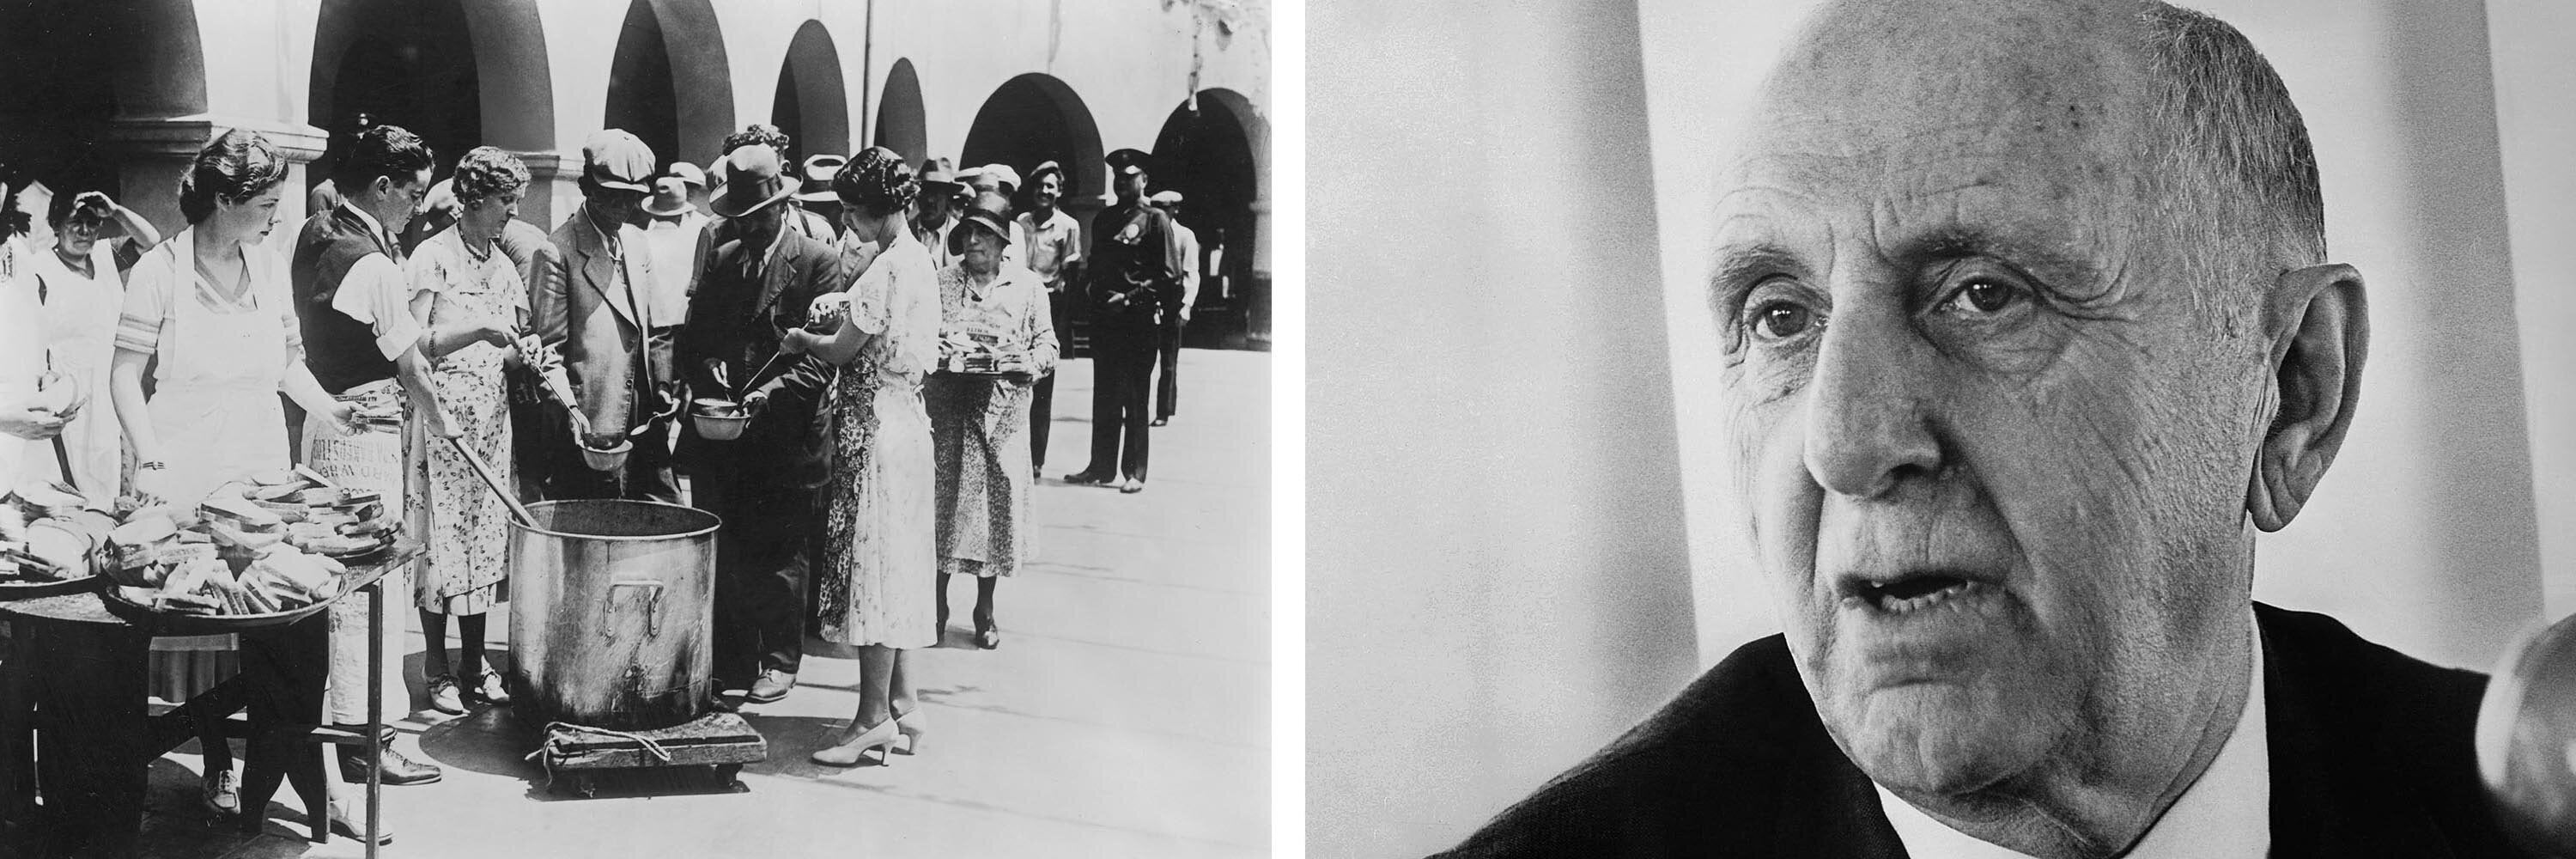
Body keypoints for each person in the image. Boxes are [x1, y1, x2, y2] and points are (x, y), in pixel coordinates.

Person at [1437, 2, 2527, 857]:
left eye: (1984, 295)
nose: (1846, 443)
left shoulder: (2526, 801)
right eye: (1781, 318)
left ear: (2291, 389)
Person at [106, 128, 373, 837]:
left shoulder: (268, 259)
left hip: (258, 470)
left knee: (282, 619)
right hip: (184, 463)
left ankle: (302, 767)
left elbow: (288, 363)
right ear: (223, 199)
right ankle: (216, 759)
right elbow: (125, 377)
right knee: (193, 622)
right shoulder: (157, 270)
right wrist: (149, 456)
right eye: (265, 202)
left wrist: (332, 409)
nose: (277, 216)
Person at [288, 122, 453, 791]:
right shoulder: (378, 264)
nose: (418, 207)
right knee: (371, 592)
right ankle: (368, 743)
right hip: (366, 436)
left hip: (321, 431)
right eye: (412, 194)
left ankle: (339, 730)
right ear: (381, 187)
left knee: (333, 587)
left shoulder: (313, 231)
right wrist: (444, 429)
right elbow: (413, 367)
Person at [403, 147, 580, 715]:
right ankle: (437, 668)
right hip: (441, 418)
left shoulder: (504, 266)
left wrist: (521, 351)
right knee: (441, 539)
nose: (512, 212)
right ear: (475, 198)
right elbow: (414, 347)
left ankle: (475, 665)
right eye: (507, 201)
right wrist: (479, 329)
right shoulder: (433, 257)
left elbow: (508, 354)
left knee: (482, 544)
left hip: (490, 418)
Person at [675, 143, 845, 705]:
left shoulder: (818, 262)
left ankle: (779, 661)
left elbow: (823, 360)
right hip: (724, 435)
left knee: (780, 552)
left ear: (780, 208)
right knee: (727, 549)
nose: (744, 229)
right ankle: (730, 661)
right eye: (736, 220)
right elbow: (695, 339)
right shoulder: (723, 259)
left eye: (754, 219)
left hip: (787, 438)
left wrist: (763, 398)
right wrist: (709, 377)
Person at [789, 147, 940, 766]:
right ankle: (906, 702)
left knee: (873, 569)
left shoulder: (883, 270)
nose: (847, 223)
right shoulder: (919, 259)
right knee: (901, 566)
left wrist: (803, 339)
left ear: (877, 211)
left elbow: (843, 351)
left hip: (874, 428)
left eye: (853, 212)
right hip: (909, 423)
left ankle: (870, 717)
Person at [927, 192, 1058, 650]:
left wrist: (1030, 363)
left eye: (983, 234)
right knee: (943, 505)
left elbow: (1048, 345)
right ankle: (936, 606)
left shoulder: (1028, 288)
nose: (973, 242)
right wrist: (941, 352)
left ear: (1003, 241)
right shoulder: (942, 282)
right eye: (967, 233)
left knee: (992, 508)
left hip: (1003, 414)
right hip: (948, 411)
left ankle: (985, 609)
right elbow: (925, 338)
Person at [531, 129, 678, 503]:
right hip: (592, 420)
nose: (622, 209)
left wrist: (662, 384)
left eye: (631, 199)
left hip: (645, 415)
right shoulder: (557, 251)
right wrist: (573, 413)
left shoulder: (637, 242)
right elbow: (549, 351)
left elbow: (658, 326)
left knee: (659, 516)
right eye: (612, 197)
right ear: (587, 188)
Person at [21, 189, 161, 497]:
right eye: (74, 222)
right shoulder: (38, 267)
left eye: (92, 223)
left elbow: (150, 241)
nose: (84, 231)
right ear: (56, 225)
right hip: (68, 389)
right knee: (74, 478)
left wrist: (114, 211)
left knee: (115, 471)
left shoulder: (106, 255)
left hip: (110, 385)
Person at [1065, 149, 1180, 494]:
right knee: (1105, 394)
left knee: (1134, 396)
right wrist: (1091, 292)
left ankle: (1135, 471)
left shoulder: (1155, 220)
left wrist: (1129, 299)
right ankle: (1100, 466)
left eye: (1129, 176)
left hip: (1138, 321)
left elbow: (1169, 276)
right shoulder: (1104, 219)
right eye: (1117, 176)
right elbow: (1096, 264)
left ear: (1144, 180)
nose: (1122, 182)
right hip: (1106, 320)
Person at [1017, 161, 1082, 478]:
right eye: (1040, 186)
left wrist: (1062, 325)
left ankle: (1036, 459)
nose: (1045, 191)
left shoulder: (1068, 227)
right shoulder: (1020, 224)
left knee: (1042, 384)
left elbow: (1071, 277)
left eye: (1051, 186)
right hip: (1018, 305)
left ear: (1059, 192)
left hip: (1050, 304)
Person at [1147, 190, 1198, 426]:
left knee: (1168, 360)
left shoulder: (1184, 235)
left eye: (1164, 207)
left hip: (1173, 299)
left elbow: (1191, 274)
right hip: (1149, 298)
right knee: (1143, 358)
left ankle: (1164, 410)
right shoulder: (1149, 231)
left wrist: (1186, 305)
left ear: (1175, 209)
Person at [912, 158, 963, 272]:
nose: (930, 200)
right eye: (925, 191)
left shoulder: (962, 235)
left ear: (948, 198)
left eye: (936, 193)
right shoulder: (905, 232)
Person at [791, 153, 848, 241]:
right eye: (812, 206)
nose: (817, 214)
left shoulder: (866, 243)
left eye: (826, 207)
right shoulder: (798, 239)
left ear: (842, 207)